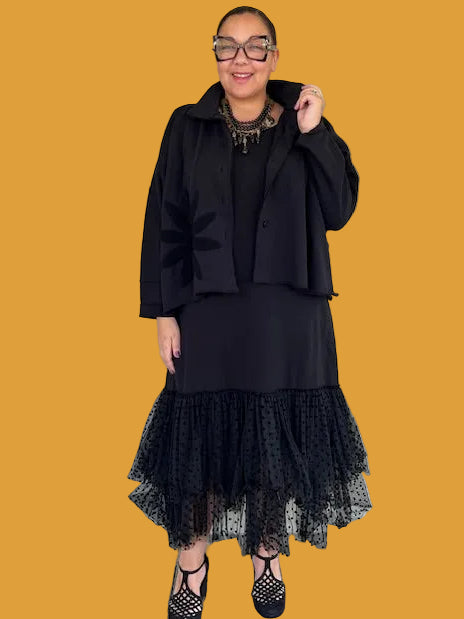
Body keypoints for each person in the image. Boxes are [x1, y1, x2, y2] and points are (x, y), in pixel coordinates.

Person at [127, 6, 372, 619]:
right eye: (228, 46)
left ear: (274, 56)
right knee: (199, 441)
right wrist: (163, 313)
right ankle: (191, 562)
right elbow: (163, 220)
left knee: (271, 442)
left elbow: (340, 209)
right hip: (207, 311)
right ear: (214, 54)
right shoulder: (185, 126)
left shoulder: (304, 122)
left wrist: (316, 132)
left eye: (255, 46)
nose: (241, 59)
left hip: (288, 314)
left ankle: (267, 555)